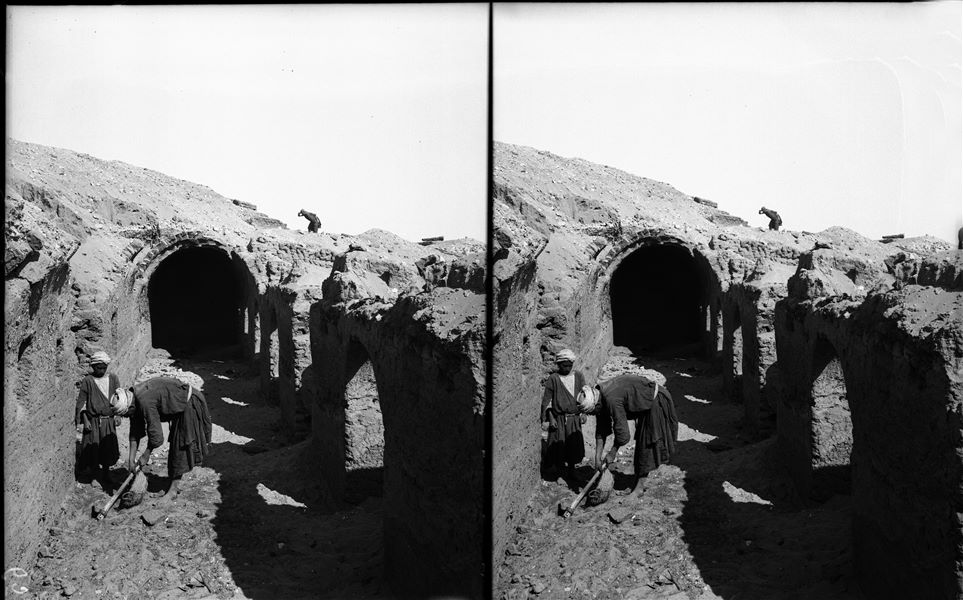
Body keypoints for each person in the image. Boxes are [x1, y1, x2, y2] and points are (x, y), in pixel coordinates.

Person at [579, 373, 679, 497]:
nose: (595, 415)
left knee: (646, 445)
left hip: (655, 402)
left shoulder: (611, 400)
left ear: (596, 405)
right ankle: (636, 485)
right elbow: (601, 430)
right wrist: (597, 457)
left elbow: (623, 435)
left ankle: (639, 489)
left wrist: (612, 453)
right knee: (641, 447)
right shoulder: (598, 395)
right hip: (645, 405)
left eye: (593, 412)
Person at [123, 376, 212, 505]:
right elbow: (135, 431)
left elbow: (157, 438)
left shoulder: (144, 402)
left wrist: (145, 455)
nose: (128, 417)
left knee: (180, 447)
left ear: (130, 407)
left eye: (127, 415)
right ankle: (172, 485)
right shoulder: (132, 397)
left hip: (188, 405)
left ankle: (173, 491)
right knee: (176, 448)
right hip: (178, 406)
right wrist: (131, 459)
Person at [74, 351, 122, 490]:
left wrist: (118, 415)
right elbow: (82, 402)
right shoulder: (88, 381)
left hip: (108, 420)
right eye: (98, 368)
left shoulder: (113, 378)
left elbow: (119, 397)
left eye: (103, 368)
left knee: (107, 446)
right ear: (93, 367)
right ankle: (94, 475)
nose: (101, 370)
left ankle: (106, 474)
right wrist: (85, 419)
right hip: (93, 420)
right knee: (93, 447)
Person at [540, 349, 587, 485]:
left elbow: (585, 395)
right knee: (559, 445)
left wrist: (583, 412)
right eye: (564, 365)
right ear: (558, 365)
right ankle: (560, 473)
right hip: (559, 418)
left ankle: (572, 470)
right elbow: (547, 400)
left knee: (573, 444)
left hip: (574, 418)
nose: (567, 368)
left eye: (569, 365)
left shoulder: (578, 376)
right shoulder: (553, 379)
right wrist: (551, 417)